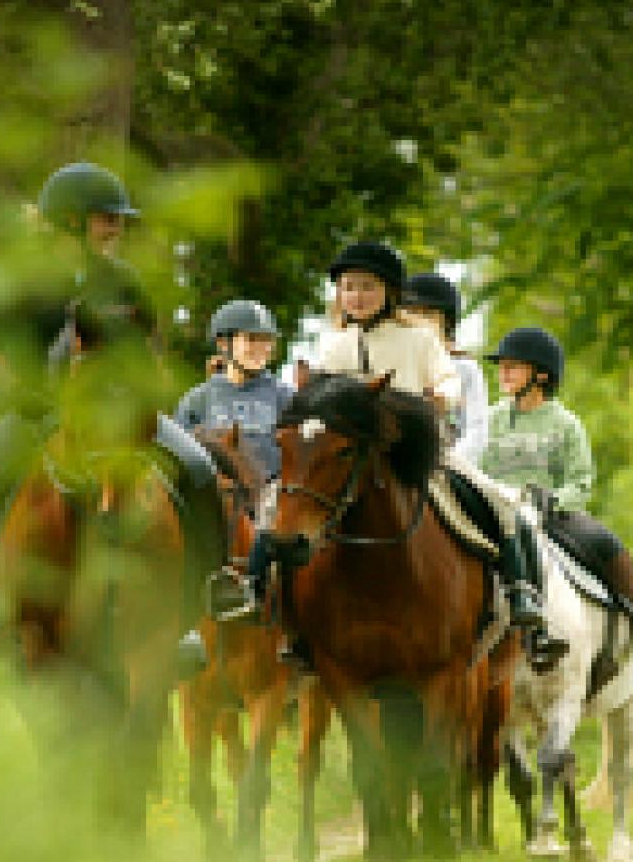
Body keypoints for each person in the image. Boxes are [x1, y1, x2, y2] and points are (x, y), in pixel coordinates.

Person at [0, 161, 225, 671]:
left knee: (200, 468)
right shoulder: (21, 279)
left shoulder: (124, 281)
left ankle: (203, 602)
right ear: (70, 220)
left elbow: (149, 351)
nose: (116, 226)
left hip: (119, 414)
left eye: (117, 218)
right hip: (37, 413)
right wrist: (25, 395)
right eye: (106, 217)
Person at [240, 240, 565, 671]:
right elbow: (320, 396)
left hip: (418, 451)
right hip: (352, 456)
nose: (357, 296)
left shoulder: (419, 339)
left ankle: (523, 596)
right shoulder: (334, 345)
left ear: (389, 292)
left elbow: (449, 380)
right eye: (348, 287)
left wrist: (440, 396)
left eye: (367, 287)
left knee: (503, 503)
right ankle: (262, 594)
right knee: (275, 504)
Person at [480, 325, 633, 660]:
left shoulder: (567, 424)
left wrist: (553, 501)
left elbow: (581, 481)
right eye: (501, 366)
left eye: (513, 366)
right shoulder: (489, 420)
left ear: (542, 375)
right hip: (497, 511)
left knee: (605, 541)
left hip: (552, 514)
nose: (503, 372)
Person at [174, 298, 293, 482]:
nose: (261, 348)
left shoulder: (286, 397)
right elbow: (178, 462)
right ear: (223, 343)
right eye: (251, 339)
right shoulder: (197, 400)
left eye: (267, 340)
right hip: (219, 495)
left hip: (272, 494)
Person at [400, 271, 488, 464]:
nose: (418, 321)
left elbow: (476, 430)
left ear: (446, 321)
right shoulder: (394, 361)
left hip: (450, 461)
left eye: (428, 314)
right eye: (411, 313)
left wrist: (447, 463)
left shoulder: (464, 368)